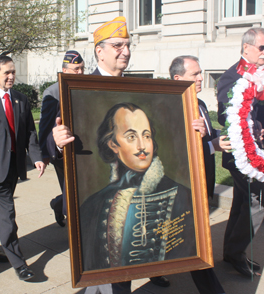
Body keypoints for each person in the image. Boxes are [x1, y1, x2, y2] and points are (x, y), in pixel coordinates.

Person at [52, 17, 207, 293]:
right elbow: (57, 146)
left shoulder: (140, 87)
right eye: (117, 45)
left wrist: (193, 128)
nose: (125, 51)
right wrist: (57, 141)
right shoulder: (78, 92)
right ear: (99, 50)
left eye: (127, 45)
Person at [81, 102, 196, 271]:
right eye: (131, 137)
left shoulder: (183, 196)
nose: (142, 146)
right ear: (113, 144)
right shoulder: (94, 205)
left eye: (147, 136)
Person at [0, 55, 46, 281]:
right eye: (7, 73)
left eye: (13, 72)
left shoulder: (21, 99)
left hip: (15, 165)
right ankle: (18, 262)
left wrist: (36, 157)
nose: (11, 76)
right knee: (7, 212)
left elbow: (30, 132)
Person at [170, 55, 231, 294]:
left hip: (204, 181)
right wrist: (210, 145)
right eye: (194, 74)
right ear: (177, 79)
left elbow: (208, 133)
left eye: (200, 72)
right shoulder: (173, 107)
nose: (200, 78)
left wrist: (225, 135)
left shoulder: (200, 104)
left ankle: (154, 271)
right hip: (185, 187)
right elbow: (174, 150)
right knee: (197, 240)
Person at [216, 28, 264, 278]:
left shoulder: (262, 75)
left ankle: (231, 252)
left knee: (242, 203)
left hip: (258, 153)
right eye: (262, 47)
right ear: (246, 47)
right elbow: (225, 115)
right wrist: (252, 128)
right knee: (258, 204)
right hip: (241, 156)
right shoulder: (231, 77)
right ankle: (236, 253)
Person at [39, 50, 84, 227]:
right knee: (71, 193)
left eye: (82, 68)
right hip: (61, 152)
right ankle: (62, 207)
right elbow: (46, 126)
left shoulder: (84, 86)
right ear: (64, 71)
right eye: (75, 69)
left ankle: (58, 203)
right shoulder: (53, 92)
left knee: (77, 191)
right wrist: (45, 152)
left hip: (81, 149)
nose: (80, 73)